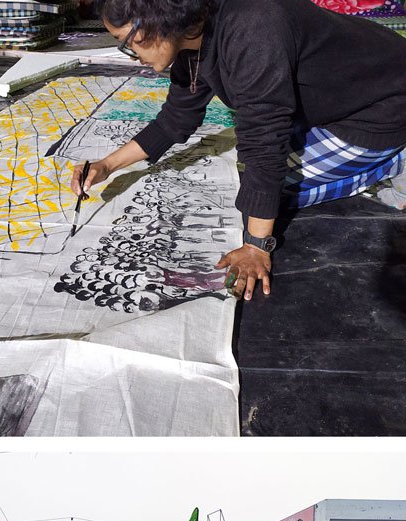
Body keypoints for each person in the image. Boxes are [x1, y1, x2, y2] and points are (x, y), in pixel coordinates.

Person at [73, 0, 406, 302]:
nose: (130, 53)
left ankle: (395, 159)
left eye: (127, 42)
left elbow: (264, 143)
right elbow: (176, 119)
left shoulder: (252, 25)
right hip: (335, 102)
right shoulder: (193, 36)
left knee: (267, 197)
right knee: (256, 185)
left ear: (153, 20)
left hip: (384, 106)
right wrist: (107, 165)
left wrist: (256, 246)